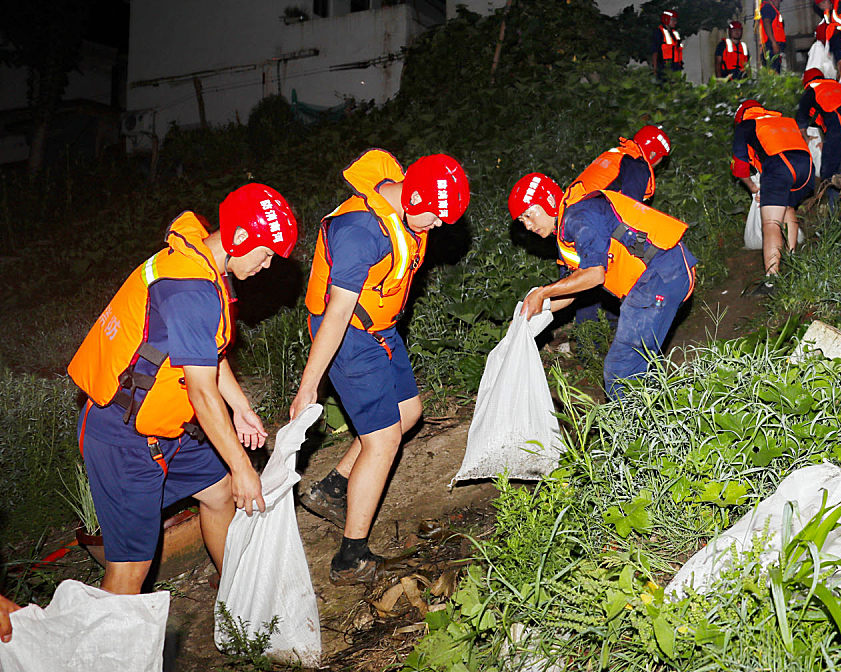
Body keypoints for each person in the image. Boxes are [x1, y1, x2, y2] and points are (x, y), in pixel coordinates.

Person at [68, 184, 298, 595]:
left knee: (219, 491)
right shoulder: (190, 288)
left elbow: (206, 351)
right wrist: (244, 466)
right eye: (265, 255)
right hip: (123, 436)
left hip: (168, 429)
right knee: (131, 569)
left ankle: (240, 598)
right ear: (240, 238)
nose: (266, 267)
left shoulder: (203, 262)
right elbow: (201, 392)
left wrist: (241, 405)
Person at [292, 148, 469, 584]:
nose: (437, 228)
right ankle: (350, 557)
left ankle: (332, 488)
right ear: (411, 199)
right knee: (384, 439)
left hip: (380, 329)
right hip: (348, 334)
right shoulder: (359, 232)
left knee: (408, 414)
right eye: (433, 218)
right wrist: (308, 385)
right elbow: (335, 315)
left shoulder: (409, 206)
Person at [508, 173, 697, 401]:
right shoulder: (566, 231)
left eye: (529, 214)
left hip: (662, 273)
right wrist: (529, 314)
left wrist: (543, 292)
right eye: (521, 220)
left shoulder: (579, 216)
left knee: (621, 368)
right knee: (640, 361)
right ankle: (662, 417)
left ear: (548, 201)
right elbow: (572, 290)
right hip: (655, 278)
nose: (527, 225)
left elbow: (594, 275)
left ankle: (632, 433)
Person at [562, 126, 672, 326]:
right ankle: (594, 337)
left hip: (570, 223)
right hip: (590, 226)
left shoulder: (617, 156)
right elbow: (631, 210)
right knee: (598, 274)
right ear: (654, 154)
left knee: (585, 279)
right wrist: (640, 249)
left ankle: (597, 331)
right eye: (661, 159)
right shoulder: (636, 164)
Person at [731, 99, 814, 295]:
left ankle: (772, 281)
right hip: (806, 168)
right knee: (788, 208)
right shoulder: (783, 120)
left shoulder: (745, 125)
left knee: (770, 223)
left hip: (779, 167)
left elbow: (740, 167)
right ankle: (792, 258)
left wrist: (753, 187)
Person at [797, 69, 841, 205]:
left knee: (828, 170)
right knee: (840, 159)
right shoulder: (834, 85)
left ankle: (834, 212)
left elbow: (801, 117)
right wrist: (828, 141)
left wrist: (805, 138)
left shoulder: (813, 89)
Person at [758, 0, 787, 73]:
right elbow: (767, 23)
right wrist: (774, 43)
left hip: (773, 47)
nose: (779, 2)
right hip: (771, 47)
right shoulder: (768, 8)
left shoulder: (771, 9)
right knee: (773, 74)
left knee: (776, 72)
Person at [653, 9, 684, 80]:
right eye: (673, 20)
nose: (675, 22)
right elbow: (655, 52)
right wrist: (655, 69)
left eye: (676, 20)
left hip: (676, 68)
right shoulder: (659, 33)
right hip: (664, 69)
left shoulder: (675, 34)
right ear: (666, 19)